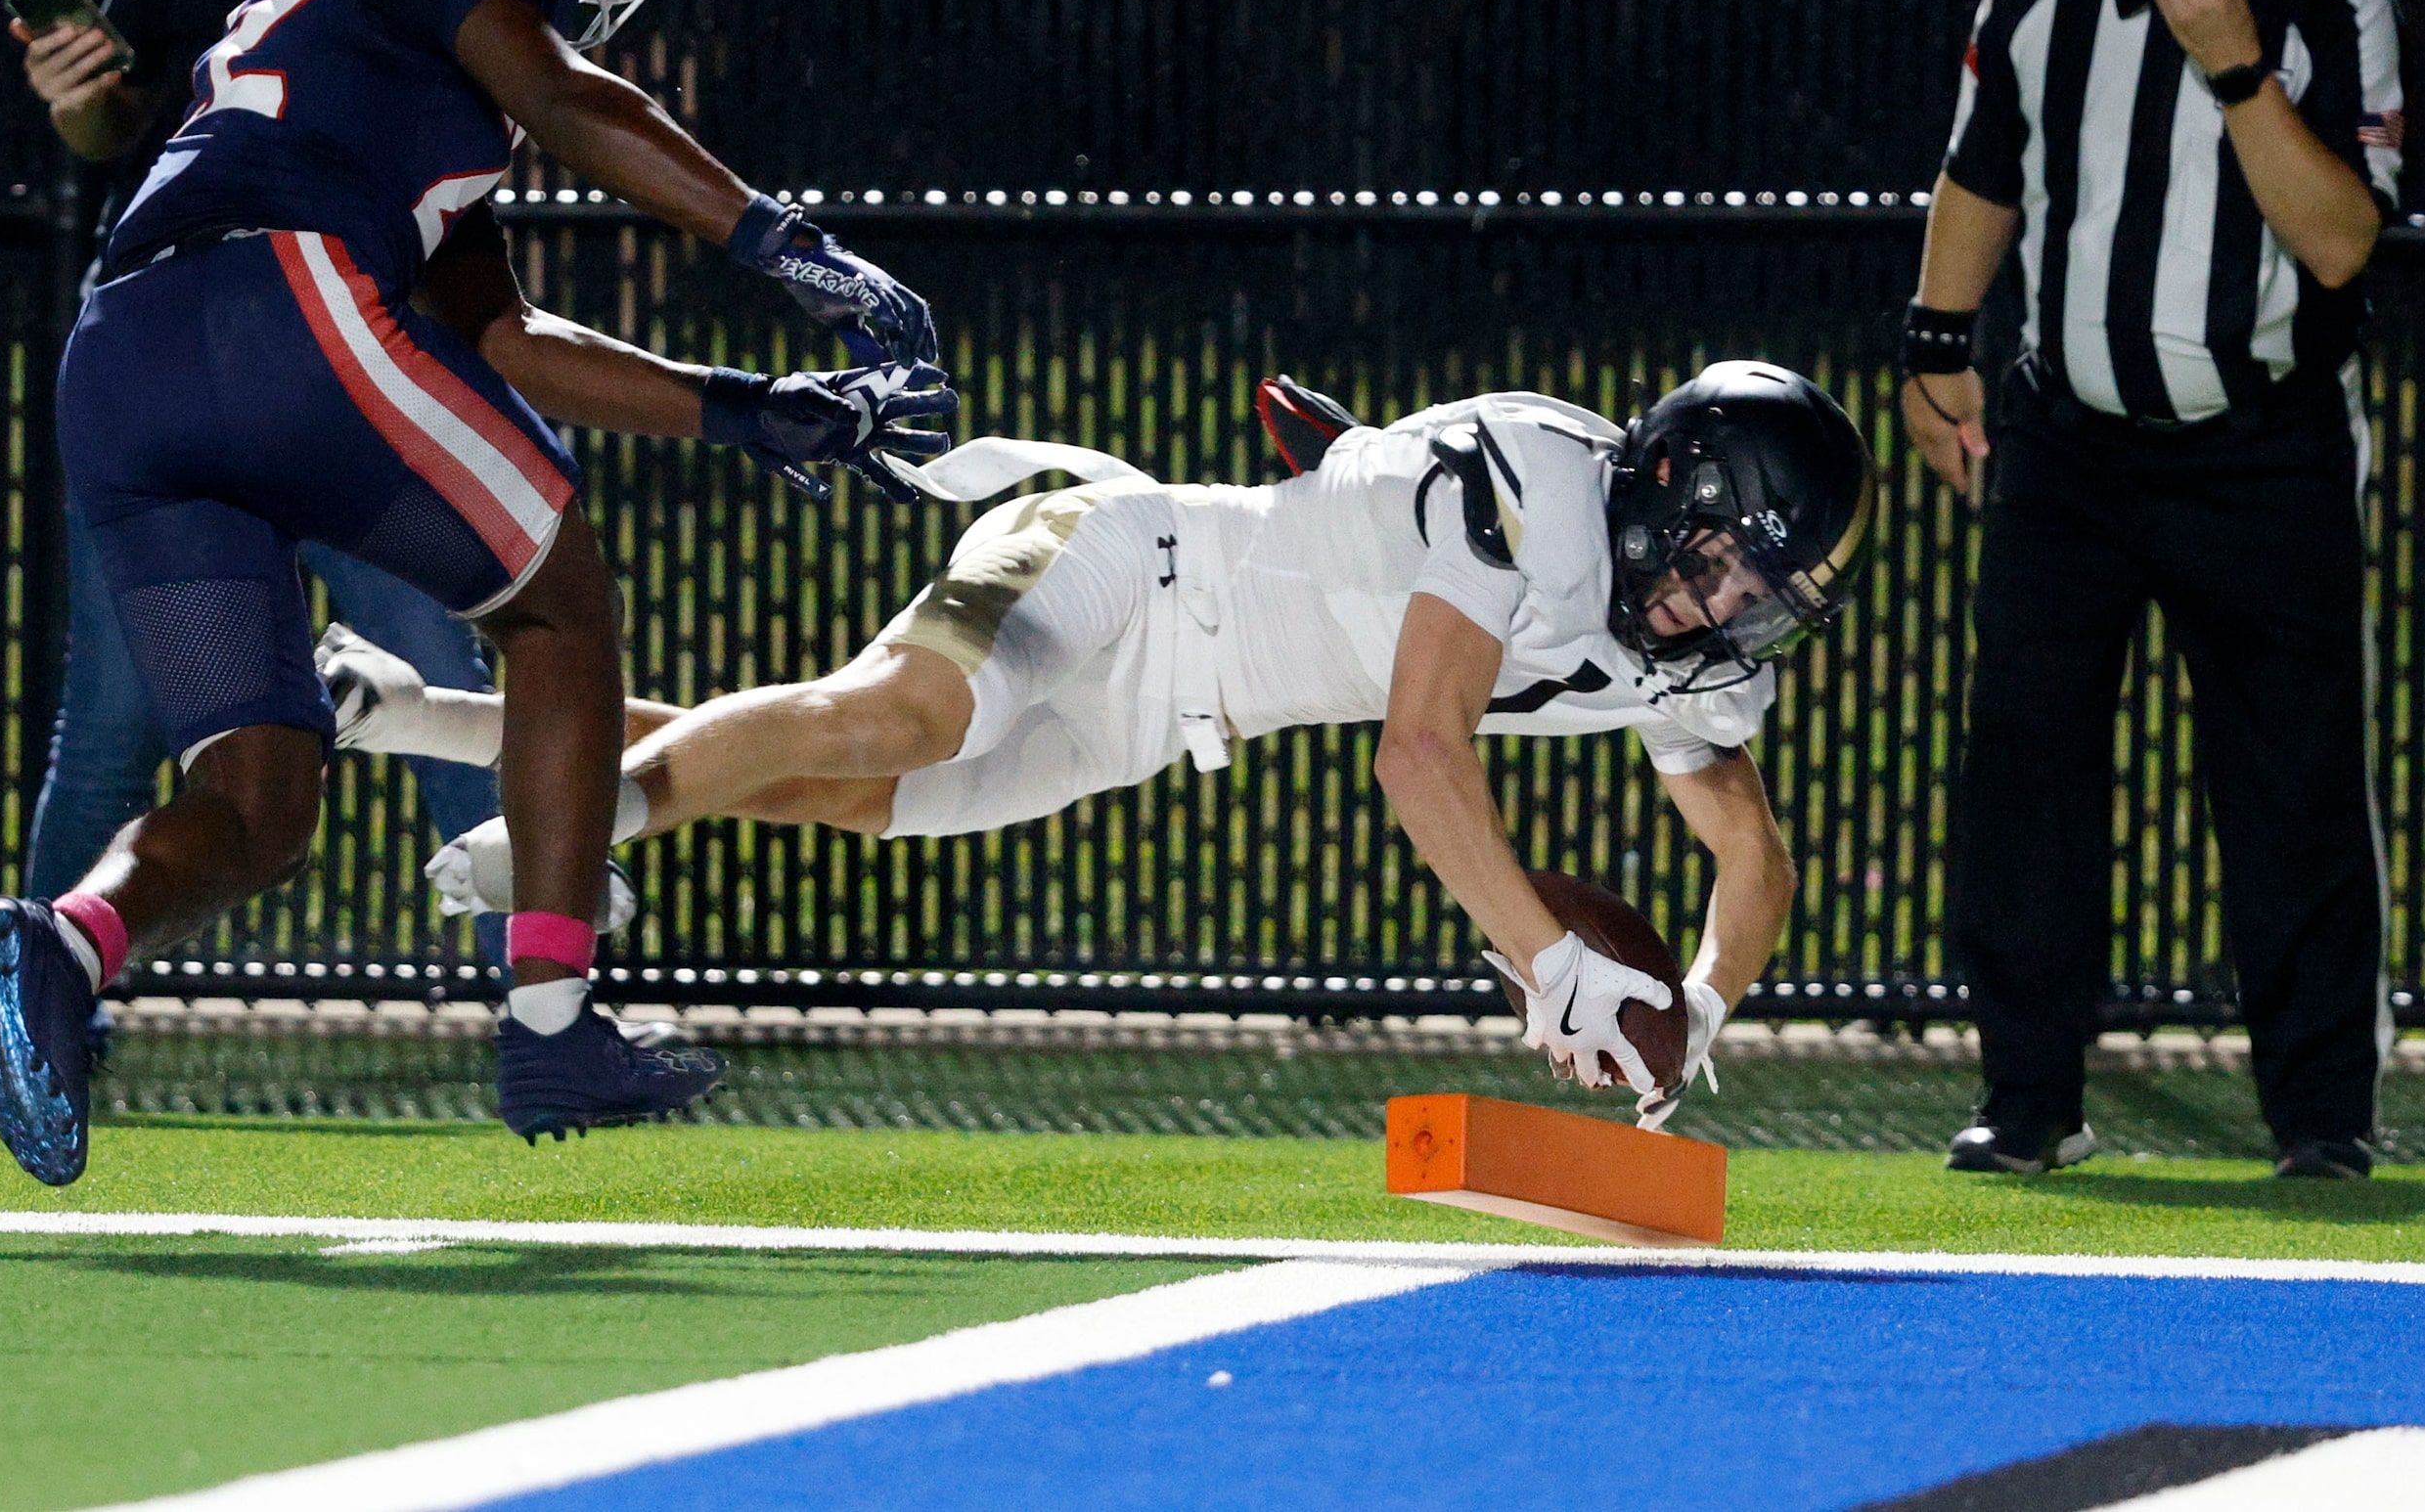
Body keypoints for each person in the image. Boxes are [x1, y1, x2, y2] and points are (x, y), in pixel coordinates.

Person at [0, 0, 955, 1187]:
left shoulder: (379, 29)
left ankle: (66, 940)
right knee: (558, 596)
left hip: (131, 352)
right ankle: (553, 1013)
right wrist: (794, 249)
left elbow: (504, 339)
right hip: (278, 299)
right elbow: (569, 101)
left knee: (262, 796)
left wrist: (751, 404)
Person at [326, 363, 1879, 1122]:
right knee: (898, 712)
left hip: (1157, 719)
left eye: (1761, 587)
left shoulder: (1677, 646)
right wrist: (1549, 959)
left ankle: (401, 709)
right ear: (1671, 474)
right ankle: (574, 843)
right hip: (1123, 559)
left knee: (833, 777)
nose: (1731, 601)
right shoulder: (1534, 474)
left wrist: (1696, 1004)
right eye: (1727, 555)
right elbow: (1420, 754)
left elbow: (1749, 851)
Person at [1900, 0, 2403, 1179]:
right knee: (2027, 763)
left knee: (2294, 778)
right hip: (2071, 441)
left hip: (2263, 446)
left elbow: (2339, 240)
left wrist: (2234, 70)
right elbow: (1982, 168)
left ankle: (2320, 1114)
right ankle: (2026, 1095)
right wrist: (1939, 346)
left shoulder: (2329, 2)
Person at [11, 0, 507, 903]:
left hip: (347, 373)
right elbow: (113, 124)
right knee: (117, 717)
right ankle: (37, 1007)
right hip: (178, 361)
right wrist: (82, 102)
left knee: (443, 662)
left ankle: (544, 1007)